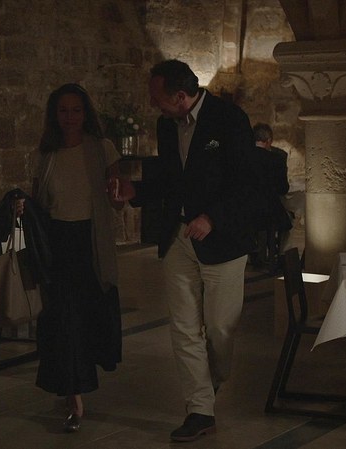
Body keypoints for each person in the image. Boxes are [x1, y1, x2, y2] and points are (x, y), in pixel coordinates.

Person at [117, 60, 264, 442]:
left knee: (220, 328)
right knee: (183, 327)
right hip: (179, 237)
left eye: (158, 98)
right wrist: (136, 191)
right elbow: (171, 179)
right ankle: (200, 409)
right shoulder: (167, 125)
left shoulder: (229, 119)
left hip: (223, 241)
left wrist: (213, 218)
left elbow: (249, 182)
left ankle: (210, 382)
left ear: (180, 96)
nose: (154, 105)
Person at [26, 83, 124, 433]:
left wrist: (119, 194)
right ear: (55, 114)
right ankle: (74, 397)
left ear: (86, 113)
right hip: (57, 244)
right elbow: (38, 204)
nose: (70, 117)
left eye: (76, 110)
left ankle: (75, 388)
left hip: (90, 244)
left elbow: (116, 199)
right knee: (64, 321)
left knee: (84, 320)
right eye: (64, 111)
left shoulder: (101, 149)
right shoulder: (46, 154)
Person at [252, 123, 292, 271]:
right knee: (288, 219)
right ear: (269, 140)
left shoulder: (242, 157)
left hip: (248, 207)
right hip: (269, 208)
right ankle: (280, 255)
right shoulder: (276, 158)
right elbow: (283, 188)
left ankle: (257, 253)